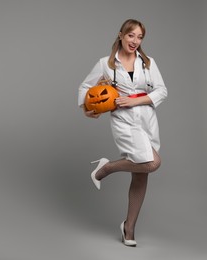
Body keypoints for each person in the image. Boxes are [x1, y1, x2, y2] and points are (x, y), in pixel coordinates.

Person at [78, 19, 167, 247]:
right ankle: (105, 168)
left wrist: (137, 100)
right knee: (151, 163)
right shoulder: (105, 64)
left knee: (141, 174)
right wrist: (87, 109)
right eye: (131, 36)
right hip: (124, 123)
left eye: (139, 37)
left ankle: (129, 228)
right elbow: (85, 88)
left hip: (147, 121)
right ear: (121, 35)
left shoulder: (147, 63)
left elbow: (162, 91)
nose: (135, 41)